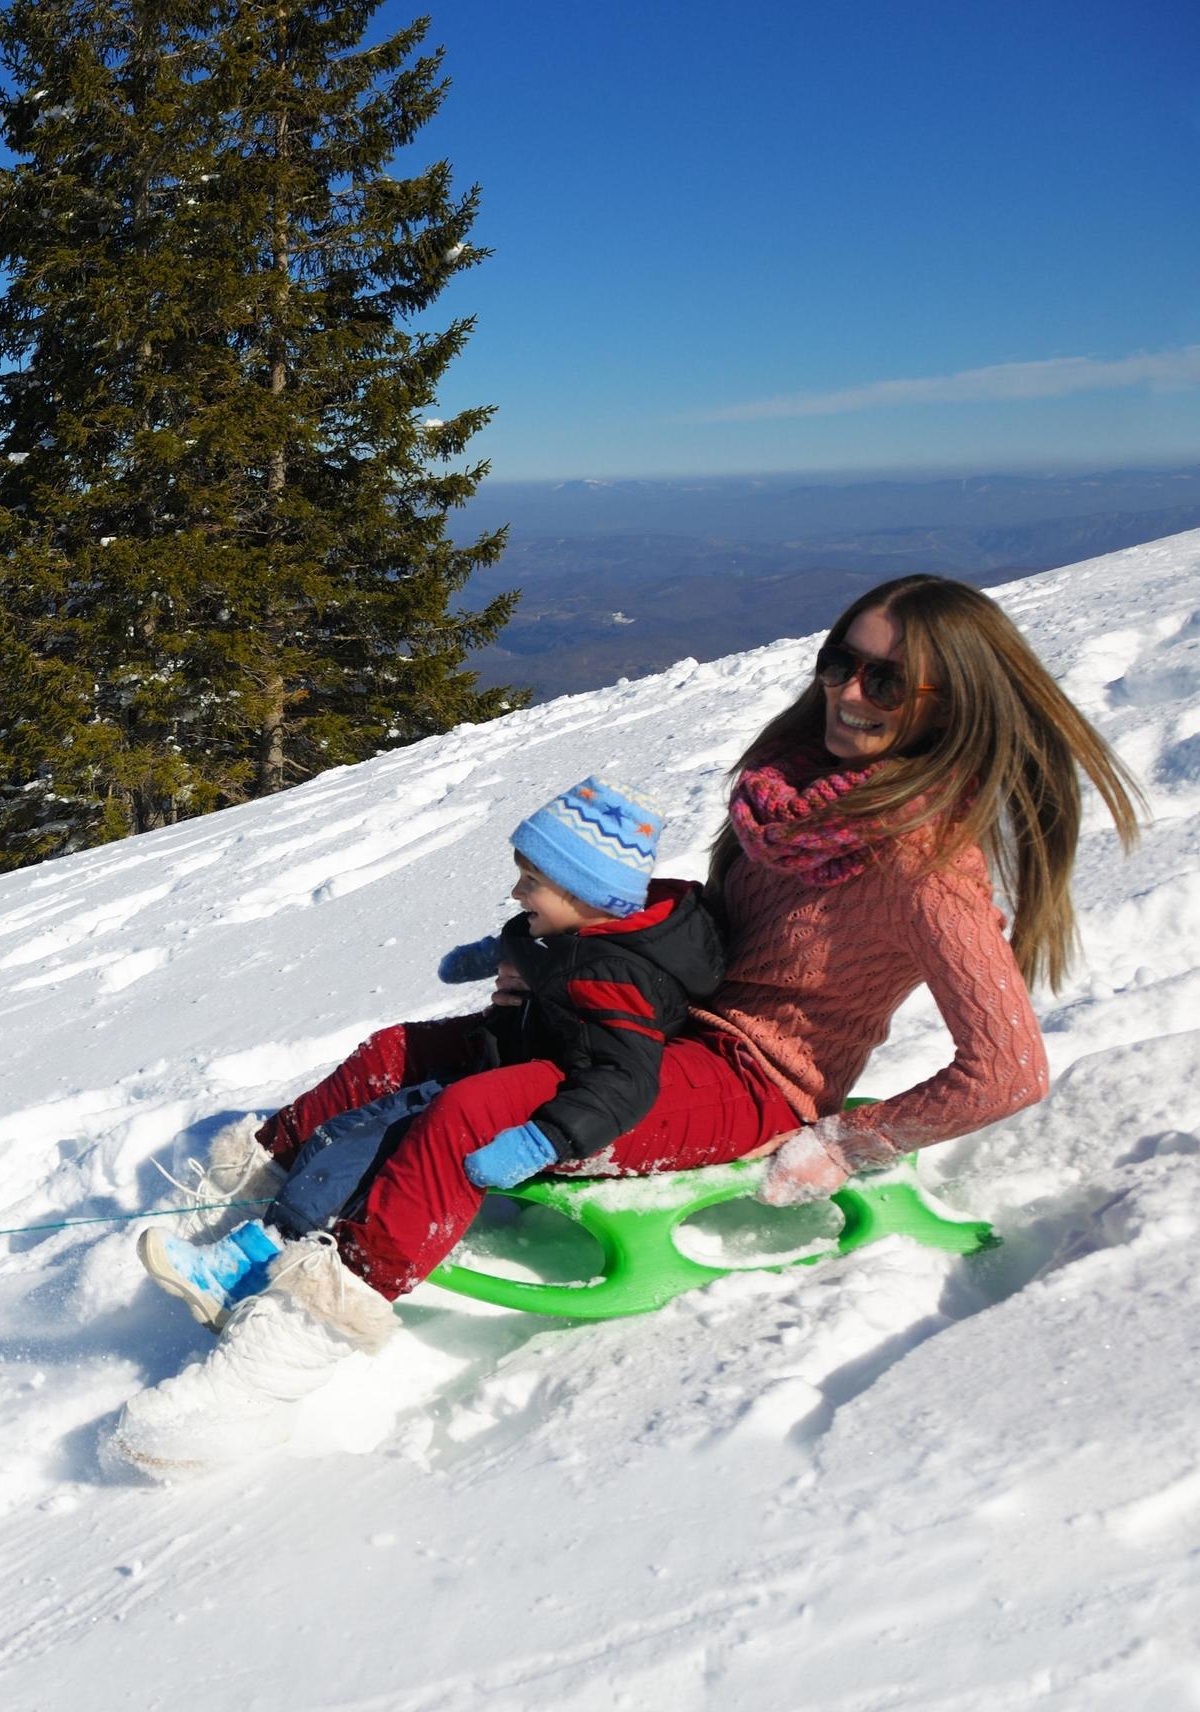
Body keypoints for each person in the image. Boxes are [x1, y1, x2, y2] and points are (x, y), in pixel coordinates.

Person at [112, 574, 1145, 1477]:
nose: (846, 688)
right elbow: (715, 932)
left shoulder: (928, 866)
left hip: (744, 1080)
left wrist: (841, 1144)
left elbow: (1009, 1067)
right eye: (842, 660)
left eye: (885, 679)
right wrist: (570, 955)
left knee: (471, 1113)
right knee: (403, 1052)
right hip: (651, 1025)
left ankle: (261, 1381)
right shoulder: (788, 795)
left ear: (947, 705)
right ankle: (240, 1201)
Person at [133, 777, 723, 1323]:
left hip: (523, 1106)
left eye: (532, 883)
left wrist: (544, 1138)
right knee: (341, 1135)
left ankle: (241, 1267)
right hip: (490, 1066)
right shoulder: (571, 934)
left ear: (586, 894)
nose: (516, 891)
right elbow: (550, 955)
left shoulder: (616, 976)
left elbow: (628, 1078)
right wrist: (495, 953)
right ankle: (253, 1252)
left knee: (363, 1153)